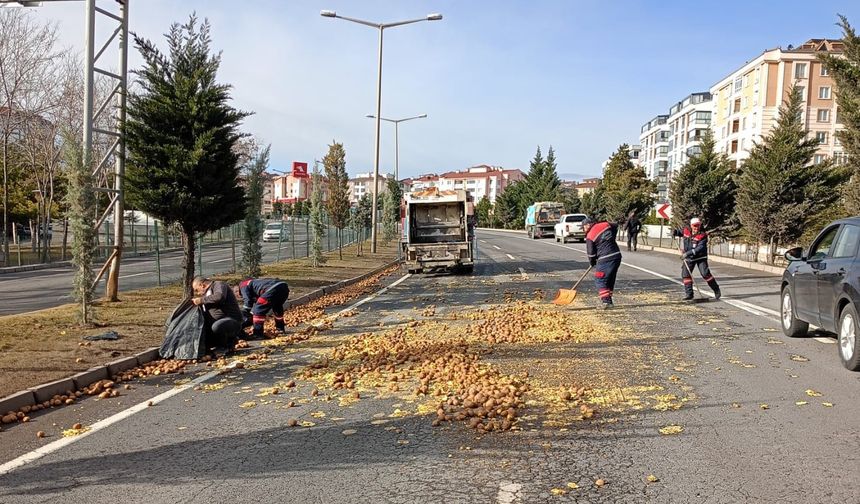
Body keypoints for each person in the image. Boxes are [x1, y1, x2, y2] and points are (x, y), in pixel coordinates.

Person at [674, 217, 721, 301]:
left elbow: (700, 248)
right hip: (689, 258)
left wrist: (687, 254)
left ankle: (716, 290)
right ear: (691, 225)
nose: (696, 227)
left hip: (700, 257)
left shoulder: (703, 235)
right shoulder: (686, 230)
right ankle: (689, 294)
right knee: (686, 275)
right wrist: (675, 232)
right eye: (695, 226)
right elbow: (680, 232)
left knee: (705, 274)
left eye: (698, 225)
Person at [191, 276, 243, 351]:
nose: (198, 293)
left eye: (197, 290)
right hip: (215, 322)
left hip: (230, 320)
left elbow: (219, 297)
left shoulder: (219, 285)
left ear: (202, 285)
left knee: (217, 326)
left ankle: (227, 344)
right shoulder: (206, 294)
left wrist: (201, 300)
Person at [583, 217, 622, 309]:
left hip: (605, 259)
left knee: (600, 279)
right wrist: (611, 238)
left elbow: (591, 253)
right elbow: (615, 225)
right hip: (617, 256)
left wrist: (592, 262)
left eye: (583, 227)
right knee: (609, 279)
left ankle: (606, 302)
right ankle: (609, 301)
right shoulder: (605, 225)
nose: (584, 229)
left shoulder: (590, 235)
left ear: (588, 225)